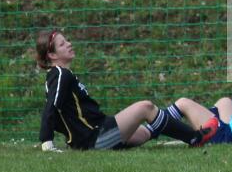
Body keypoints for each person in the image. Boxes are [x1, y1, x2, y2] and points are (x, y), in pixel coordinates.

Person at [35, 30, 218, 152]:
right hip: (95, 139)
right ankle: (195, 138)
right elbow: (52, 107)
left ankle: (177, 114)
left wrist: (71, 139)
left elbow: (61, 114)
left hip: (96, 133)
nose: (68, 43)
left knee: (144, 133)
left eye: (66, 40)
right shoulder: (60, 74)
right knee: (145, 107)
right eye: (61, 44)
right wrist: (47, 142)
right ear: (51, 55)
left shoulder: (61, 75)